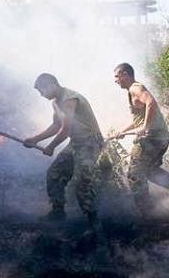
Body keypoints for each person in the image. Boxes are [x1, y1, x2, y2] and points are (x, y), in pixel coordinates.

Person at [24, 73, 104, 234]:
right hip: (76, 143)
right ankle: (58, 212)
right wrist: (35, 139)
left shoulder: (69, 99)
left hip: (90, 142)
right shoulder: (55, 103)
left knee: (83, 182)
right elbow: (56, 126)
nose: (41, 95)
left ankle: (94, 224)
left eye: (42, 90)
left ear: (51, 85)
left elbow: (66, 130)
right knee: (54, 173)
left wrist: (52, 146)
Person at [110, 63, 169, 217]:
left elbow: (151, 102)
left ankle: (148, 212)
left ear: (125, 75)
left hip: (151, 139)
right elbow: (139, 121)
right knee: (149, 171)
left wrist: (146, 127)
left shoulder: (135, 88)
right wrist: (123, 131)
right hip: (159, 138)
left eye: (117, 76)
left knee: (134, 173)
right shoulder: (132, 91)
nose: (115, 81)